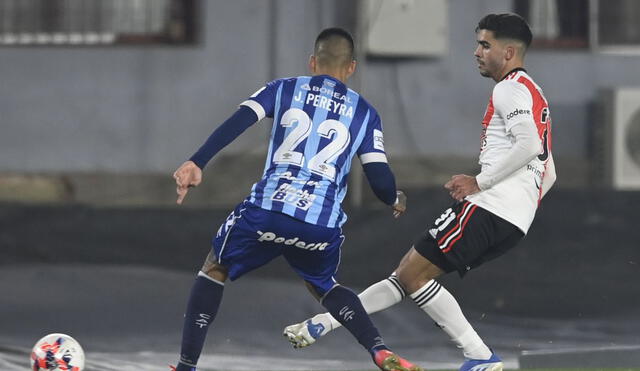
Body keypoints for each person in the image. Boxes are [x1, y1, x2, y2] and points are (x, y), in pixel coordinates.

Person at [283, 13, 557, 371]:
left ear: (508, 53)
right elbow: (548, 169)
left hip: (491, 206)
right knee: (408, 275)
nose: (476, 51)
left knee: (413, 276)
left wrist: (481, 183)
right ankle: (326, 322)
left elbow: (528, 144)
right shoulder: (535, 94)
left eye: (485, 44)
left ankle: (479, 357)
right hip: (512, 218)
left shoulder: (509, 88)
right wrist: (521, 207)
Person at [170, 27, 422, 371]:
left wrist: (196, 162)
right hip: (320, 224)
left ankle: (185, 366)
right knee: (324, 286)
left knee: (214, 267)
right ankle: (377, 348)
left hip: (267, 211)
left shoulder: (285, 88)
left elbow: (239, 121)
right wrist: (395, 198)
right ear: (351, 68)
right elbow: (379, 180)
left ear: (312, 62)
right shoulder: (365, 112)